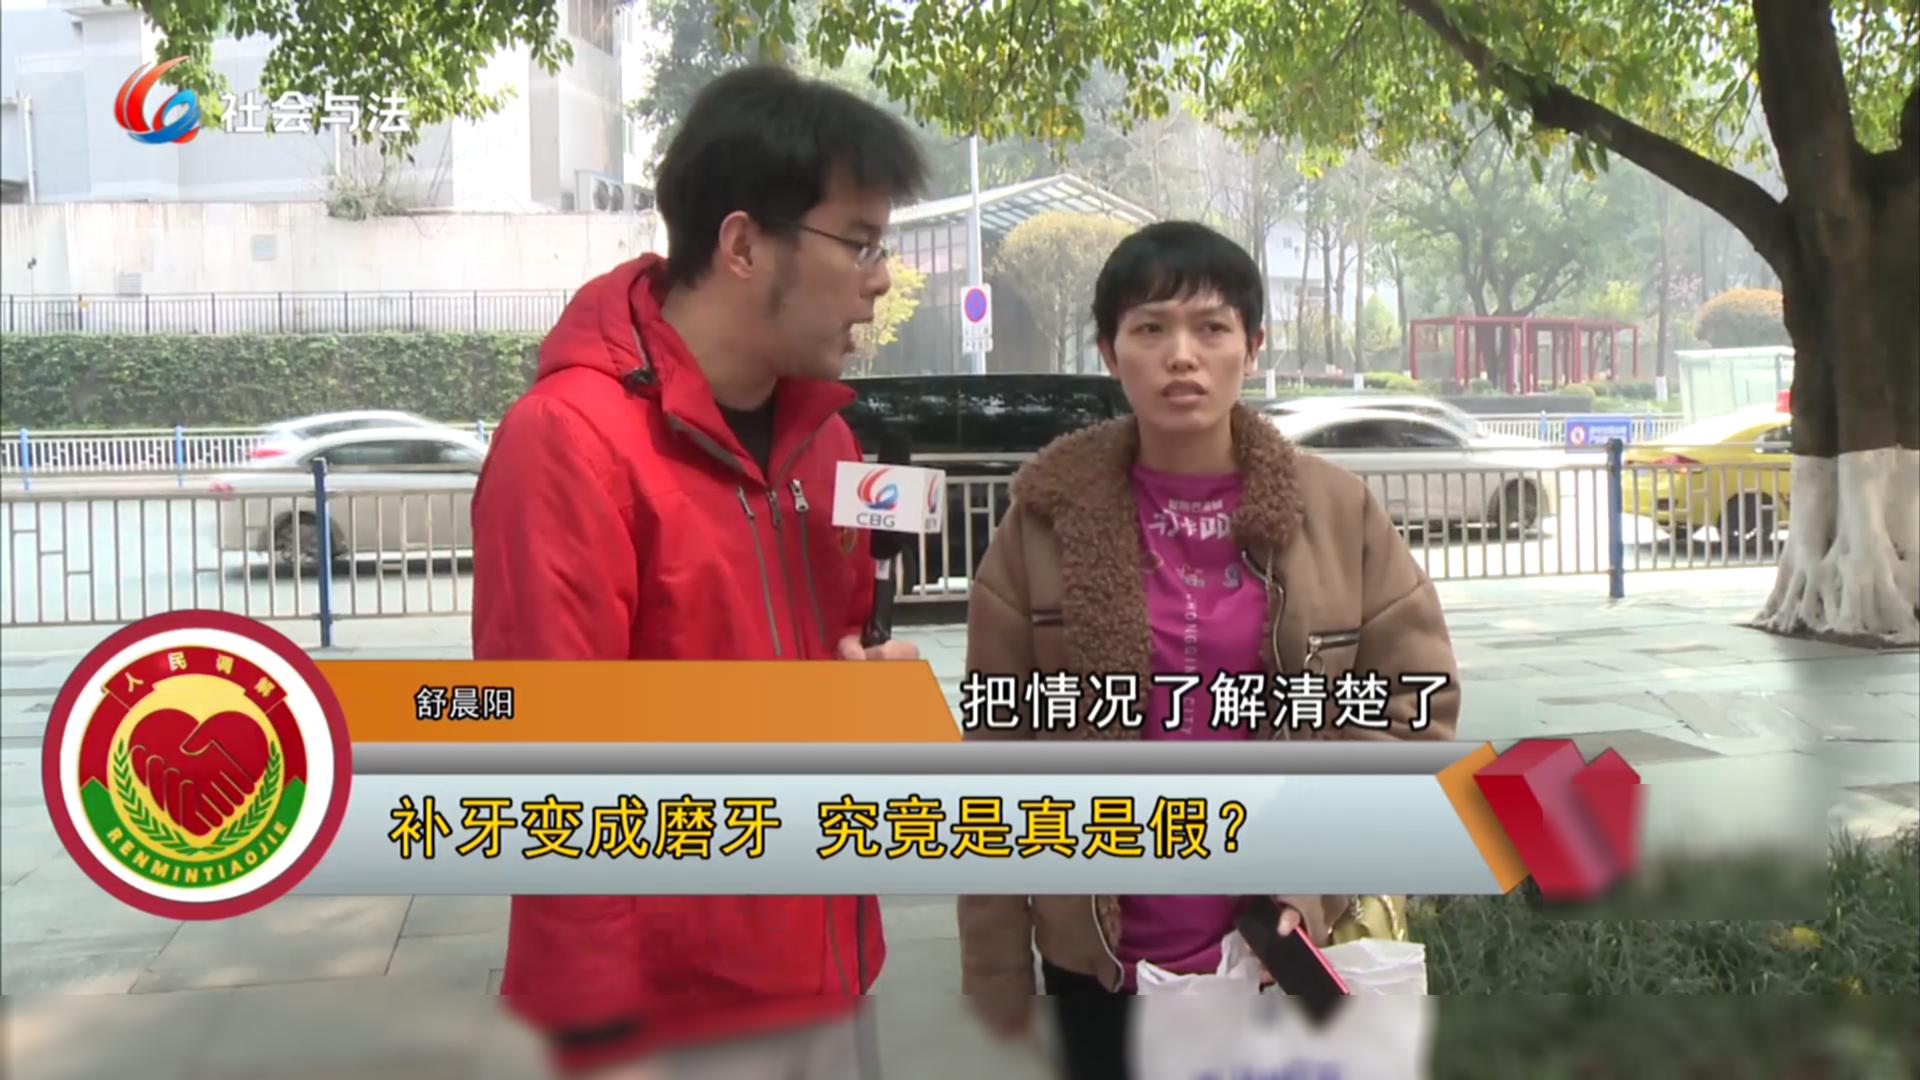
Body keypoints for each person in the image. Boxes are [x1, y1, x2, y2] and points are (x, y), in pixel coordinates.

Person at [469, 64, 928, 1078]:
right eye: (859, 243)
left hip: (831, 969)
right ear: (742, 244)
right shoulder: (569, 443)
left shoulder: (827, 441)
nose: (880, 279)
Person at [955, 221, 1462, 1080]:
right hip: (1102, 964)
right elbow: (996, 756)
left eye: (1211, 328)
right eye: (1150, 328)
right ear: (1110, 353)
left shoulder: (1336, 511)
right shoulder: (1040, 524)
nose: (1181, 356)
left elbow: (1415, 708)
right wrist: (997, 974)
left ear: (1252, 347)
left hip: (1282, 950)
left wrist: (1315, 875)